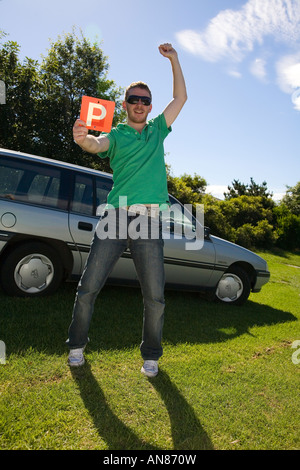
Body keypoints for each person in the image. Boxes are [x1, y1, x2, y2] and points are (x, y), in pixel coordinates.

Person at [67, 43, 187, 377]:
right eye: (133, 99)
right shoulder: (116, 133)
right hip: (115, 218)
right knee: (89, 286)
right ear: (124, 104)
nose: (138, 104)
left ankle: (151, 355)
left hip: (149, 221)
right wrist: (83, 140)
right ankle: (76, 347)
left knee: (155, 296)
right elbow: (97, 144)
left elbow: (180, 99)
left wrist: (174, 60)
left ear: (149, 106)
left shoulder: (157, 131)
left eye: (144, 100)